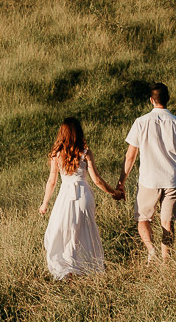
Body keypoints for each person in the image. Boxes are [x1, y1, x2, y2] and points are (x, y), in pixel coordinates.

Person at [114, 82, 176, 263]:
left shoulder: (140, 123)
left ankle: (151, 249)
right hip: (172, 179)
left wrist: (121, 182)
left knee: (143, 218)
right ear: (168, 99)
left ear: (151, 100)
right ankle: (166, 262)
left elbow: (130, 157)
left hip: (148, 180)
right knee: (167, 223)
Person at [39, 117, 118, 280]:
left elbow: (52, 181)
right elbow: (96, 180)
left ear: (62, 133)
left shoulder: (57, 154)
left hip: (65, 195)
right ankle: (85, 265)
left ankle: (69, 268)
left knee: (65, 230)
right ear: (78, 132)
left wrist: (45, 203)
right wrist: (113, 192)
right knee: (85, 230)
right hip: (84, 195)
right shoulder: (85, 152)